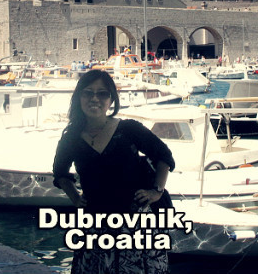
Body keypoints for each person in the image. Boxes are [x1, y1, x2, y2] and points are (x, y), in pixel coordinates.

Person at [53, 69, 175, 274]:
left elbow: (164, 156)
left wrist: (157, 191)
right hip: (95, 224)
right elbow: (60, 173)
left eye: (102, 93)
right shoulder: (71, 137)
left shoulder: (129, 129)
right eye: (88, 92)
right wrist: (75, 198)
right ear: (79, 97)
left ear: (111, 99)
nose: (95, 98)